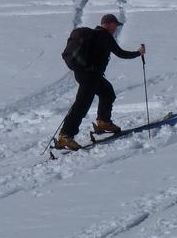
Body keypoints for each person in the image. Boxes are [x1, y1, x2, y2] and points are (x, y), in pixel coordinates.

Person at [55, 13, 146, 150]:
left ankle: (103, 122)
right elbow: (121, 54)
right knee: (82, 105)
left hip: (86, 74)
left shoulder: (93, 35)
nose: (115, 29)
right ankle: (65, 136)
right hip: (89, 76)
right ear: (109, 24)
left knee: (107, 93)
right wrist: (138, 53)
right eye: (115, 25)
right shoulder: (104, 36)